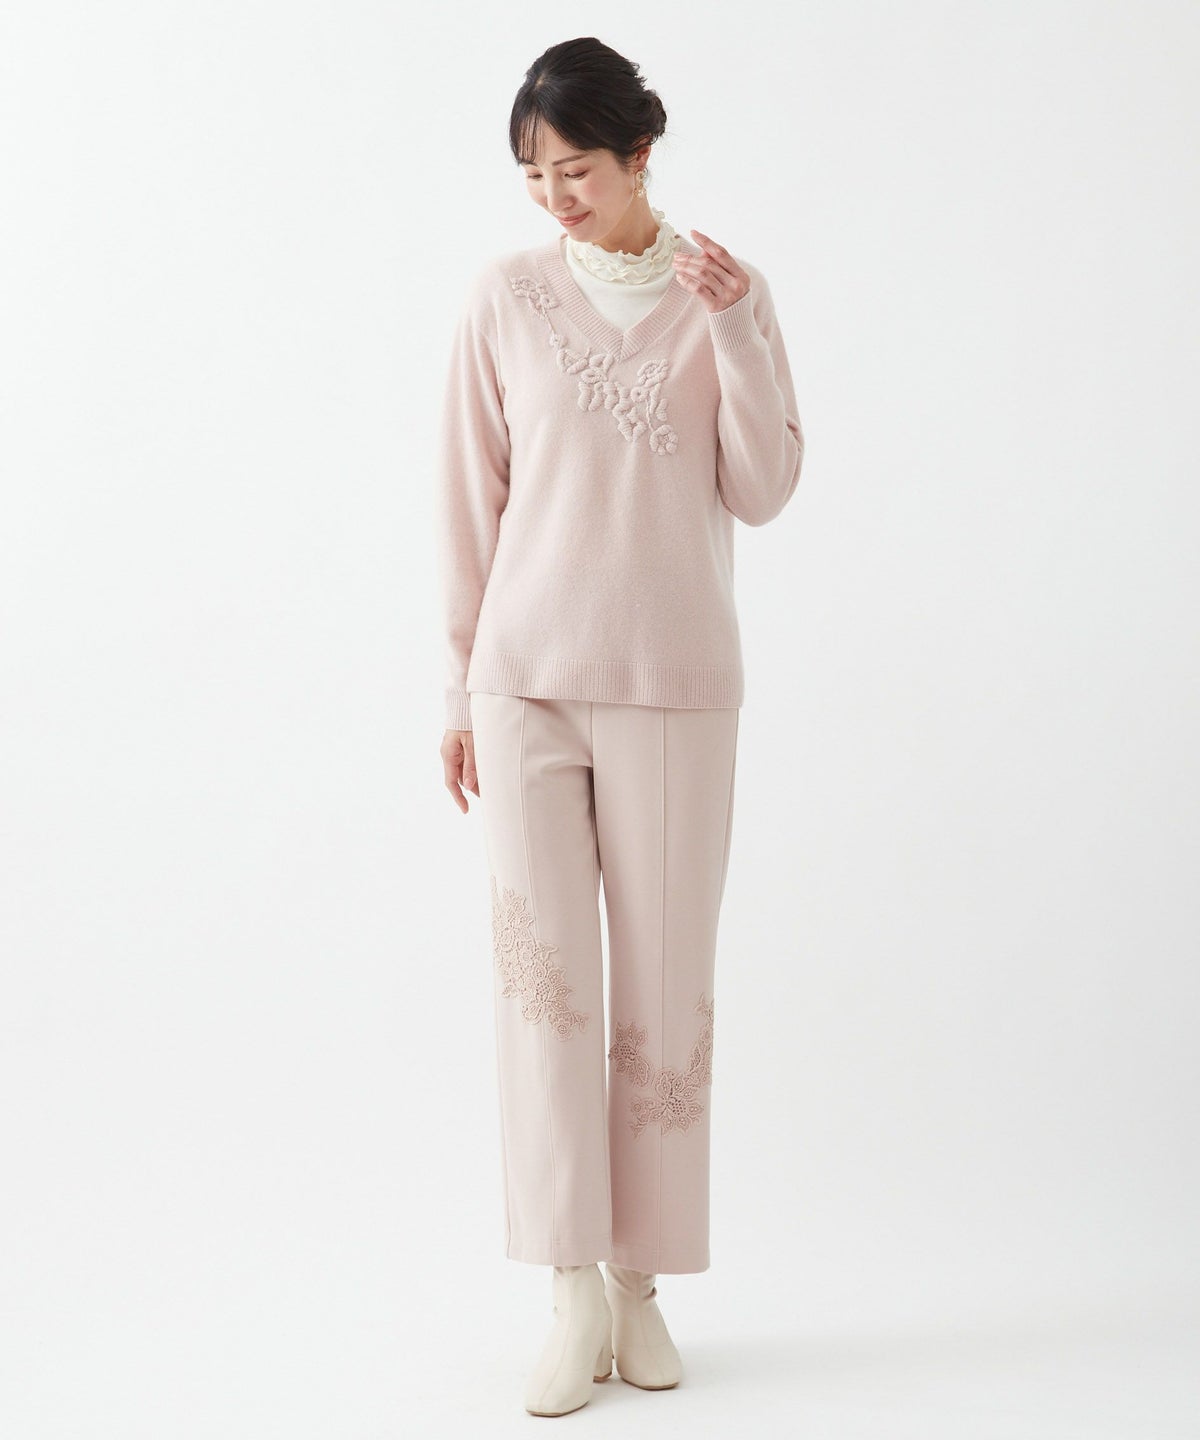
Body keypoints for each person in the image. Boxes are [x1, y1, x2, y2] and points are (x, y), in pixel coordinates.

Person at [434, 35, 804, 1417]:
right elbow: (467, 500)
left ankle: (642, 1283)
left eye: (576, 170)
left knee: (663, 992)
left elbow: (763, 487)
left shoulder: (723, 295)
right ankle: (569, 1286)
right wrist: (459, 688)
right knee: (544, 997)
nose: (555, 197)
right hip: (524, 687)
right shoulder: (505, 298)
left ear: (641, 154)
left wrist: (742, 328)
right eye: (534, 175)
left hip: (675, 688)